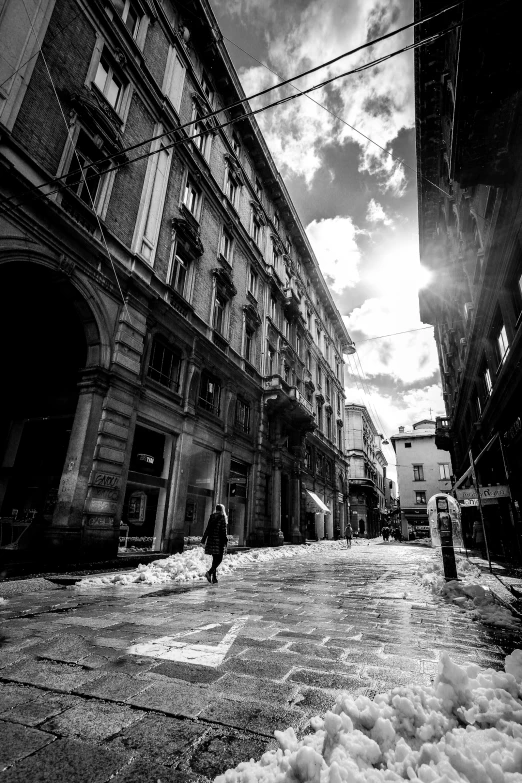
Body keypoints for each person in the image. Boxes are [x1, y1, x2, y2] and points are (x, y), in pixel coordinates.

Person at [201, 503, 228, 584]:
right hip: (218, 541)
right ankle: (209, 573)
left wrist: (203, 539)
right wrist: (225, 542)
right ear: (222, 510)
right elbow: (223, 532)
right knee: (219, 559)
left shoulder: (212, 517)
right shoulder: (222, 517)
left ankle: (214, 578)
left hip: (211, 540)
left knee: (215, 559)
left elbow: (208, 528)